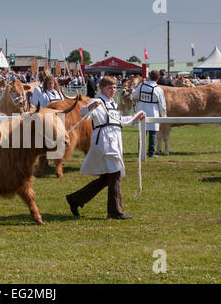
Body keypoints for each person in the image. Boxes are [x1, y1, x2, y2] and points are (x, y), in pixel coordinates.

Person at [66, 76, 146, 219]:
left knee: (106, 178)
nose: (112, 91)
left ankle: (75, 199)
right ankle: (115, 212)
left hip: (114, 141)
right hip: (104, 142)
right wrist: (91, 106)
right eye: (109, 88)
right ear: (102, 88)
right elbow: (83, 112)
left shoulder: (112, 104)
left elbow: (119, 121)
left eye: (114, 88)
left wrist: (135, 117)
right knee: (115, 175)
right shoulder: (98, 101)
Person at [132, 70, 167, 158]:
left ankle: (140, 152)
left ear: (149, 77)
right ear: (158, 78)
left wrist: (132, 90)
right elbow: (162, 104)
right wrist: (164, 116)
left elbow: (135, 96)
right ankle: (151, 153)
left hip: (141, 110)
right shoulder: (158, 89)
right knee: (153, 133)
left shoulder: (141, 85)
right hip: (153, 112)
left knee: (142, 133)